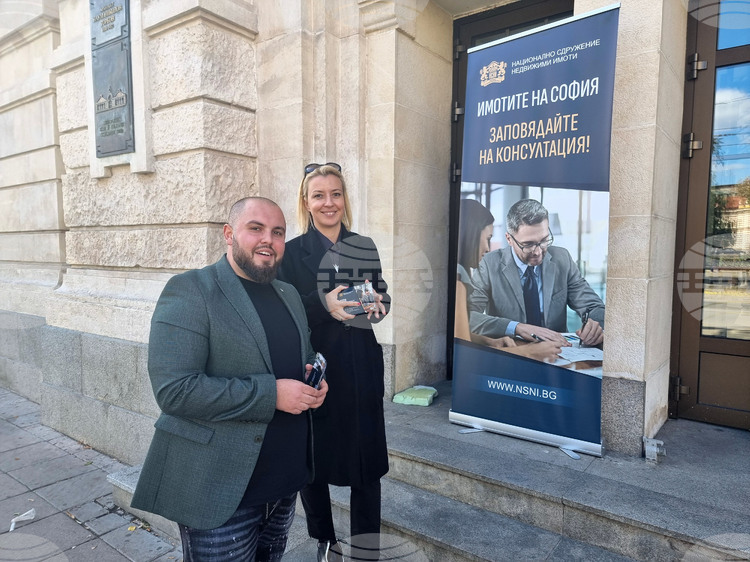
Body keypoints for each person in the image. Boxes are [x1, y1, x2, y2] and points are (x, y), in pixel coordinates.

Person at [131, 197, 328, 562]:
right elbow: (175, 391)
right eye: (256, 228)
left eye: (278, 232)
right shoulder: (191, 289)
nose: (268, 239)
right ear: (228, 234)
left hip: (284, 485)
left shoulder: (288, 294)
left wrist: (313, 381)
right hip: (219, 492)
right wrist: (272, 395)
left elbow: (303, 356)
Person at [278, 162, 390, 562]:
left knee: (368, 463)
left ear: (345, 199)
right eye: (319, 195)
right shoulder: (292, 253)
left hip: (362, 365)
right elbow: (286, 310)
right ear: (306, 202)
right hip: (318, 369)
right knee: (314, 462)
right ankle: (325, 540)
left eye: (336, 194)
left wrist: (378, 304)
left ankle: (366, 548)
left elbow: (382, 294)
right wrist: (324, 304)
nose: (329, 203)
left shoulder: (364, 244)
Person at [469, 198, 605, 347]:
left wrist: (595, 325)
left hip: (560, 351)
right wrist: (517, 327)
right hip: (513, 352)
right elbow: (468, 316)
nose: (538, 252)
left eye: (544, 240)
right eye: (528, 244)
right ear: (509, 239)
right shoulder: (488, 264)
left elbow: (594, 306)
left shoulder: (562, 259)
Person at [456, 198, 562, 362]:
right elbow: (463, 354)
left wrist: (489, 342)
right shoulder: (460, 275)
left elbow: (457, 334)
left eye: (543, 241)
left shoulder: (562, 259)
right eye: (488, 238)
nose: (488, 248)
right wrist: (527, 351)